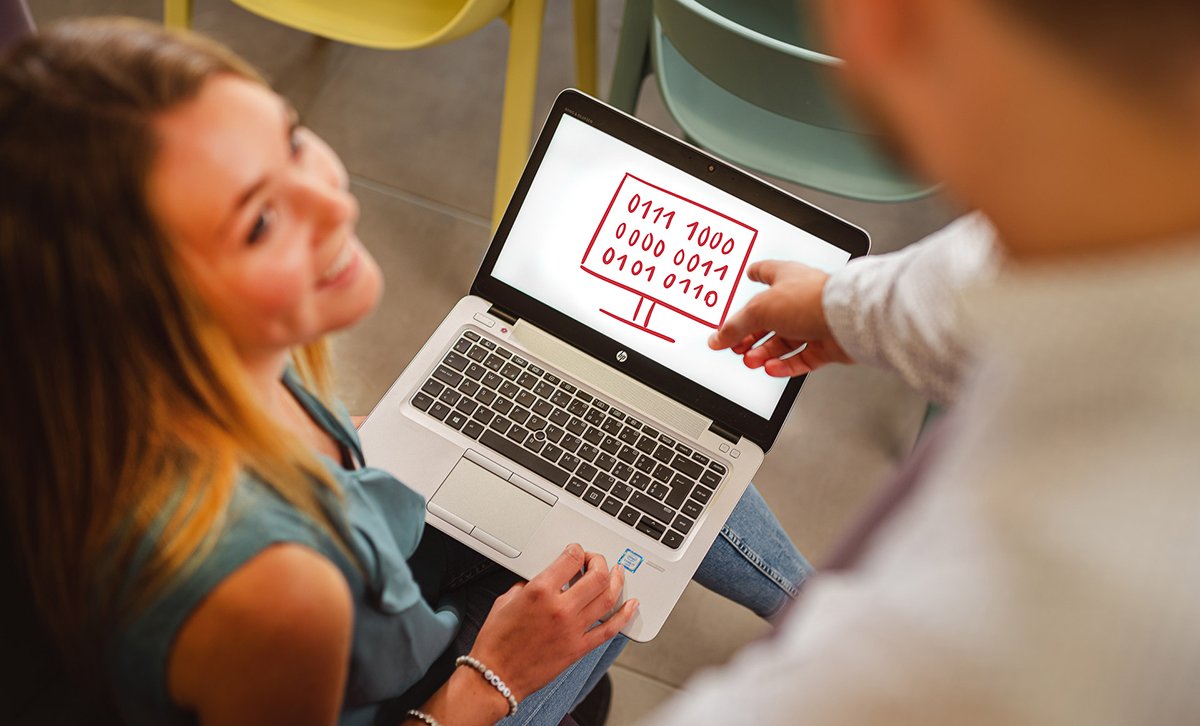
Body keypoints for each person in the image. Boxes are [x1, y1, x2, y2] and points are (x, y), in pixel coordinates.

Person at [0, 17, 810, 726]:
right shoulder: (277, 593)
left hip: (382, 614)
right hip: (422, 696)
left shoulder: (186, 379)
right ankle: (822, 612)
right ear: (149, 306)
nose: (336, 203)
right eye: (259, 221)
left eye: (289, 139)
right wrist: (499, 675)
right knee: (631, 558)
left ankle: (810, 601)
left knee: (656, 437)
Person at [642, 0, 1200, 723]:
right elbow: (993, 264)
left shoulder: (997, 641)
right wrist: (844, 307)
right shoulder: (1117, 215)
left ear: (886, 23)